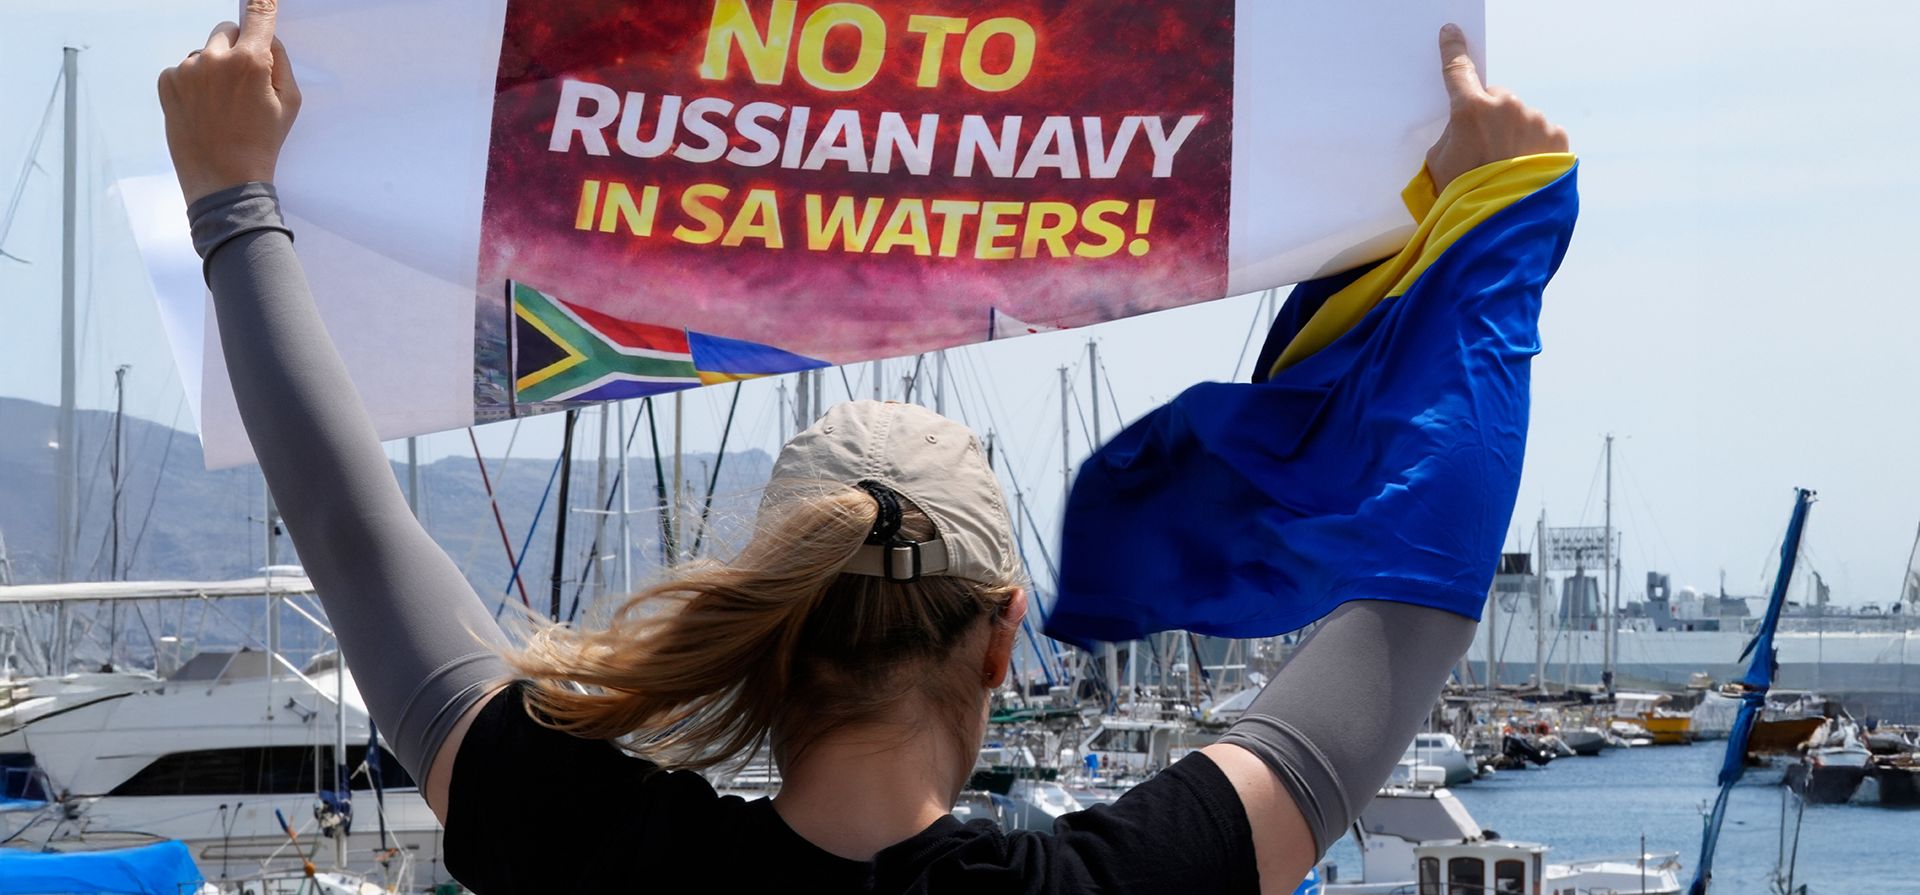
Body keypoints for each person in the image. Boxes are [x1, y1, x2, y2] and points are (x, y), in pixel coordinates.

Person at [158, 5, 1567, 892]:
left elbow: (349, 538)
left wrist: (235, 201)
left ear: (776, 631)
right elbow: (1416, 595)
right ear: (1005, 637)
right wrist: (1479, 246)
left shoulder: (601, 855)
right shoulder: (1131, 884)